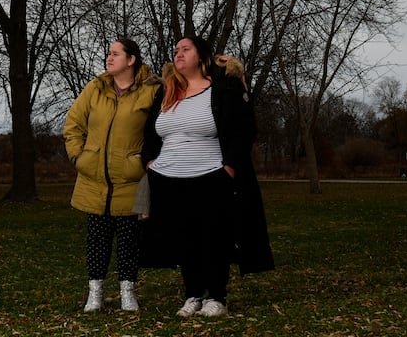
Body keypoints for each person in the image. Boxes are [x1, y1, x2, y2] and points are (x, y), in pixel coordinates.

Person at [140, 35, 274, 317]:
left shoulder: (223, 88)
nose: (178, 54)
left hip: (211, 175)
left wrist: (230, 167)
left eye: (185, 49)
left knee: (214, 236)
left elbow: (244, 129)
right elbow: (151, 132)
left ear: (201, 56)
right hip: (168, 178)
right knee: (184, 238)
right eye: (176, 50)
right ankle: (192, 295)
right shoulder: (166, 91)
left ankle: (217, 298)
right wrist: (150, 161)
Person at [64, 38, 160, 312]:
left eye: (115, 54)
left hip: (130, 178)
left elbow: (158, 131)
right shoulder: (96, 88)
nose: (109, 58)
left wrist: (143, 162)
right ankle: (95, 294)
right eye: (109, 53)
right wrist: (78, 157)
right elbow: (73, 124)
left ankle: (127, 293)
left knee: (130, 240)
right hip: (94, 178)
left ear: (131, 60)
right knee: (97, 239)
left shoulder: (151, 91)